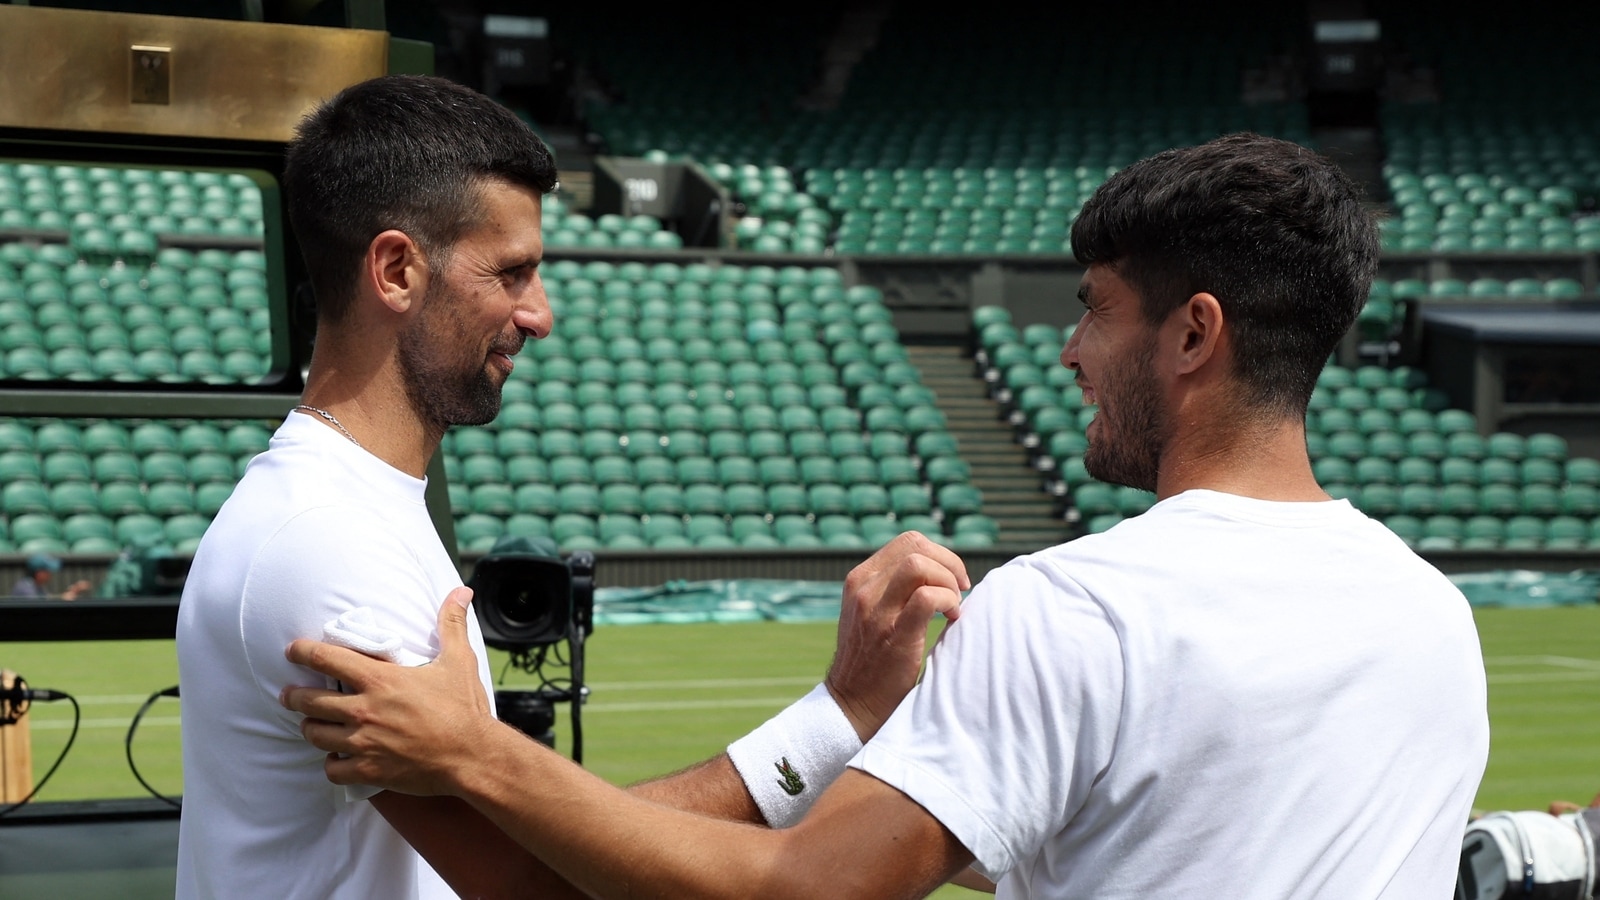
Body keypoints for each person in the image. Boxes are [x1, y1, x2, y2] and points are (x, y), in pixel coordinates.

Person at [282, 133, 1491, 898]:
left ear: (1192, 334)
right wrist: (868, 726)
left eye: (1094, 309)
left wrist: (476, 754)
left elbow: (806, 891)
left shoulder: (1075, 606)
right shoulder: (1434, 618)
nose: (1067, 349)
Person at [175, 73, 967, 900]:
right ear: (397, 270)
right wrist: (834, 720)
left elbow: (563, 841)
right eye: (511, 273)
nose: (539, 313)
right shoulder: (330, 542)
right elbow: (551, 882)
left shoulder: (339, 505)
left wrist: (835, 718)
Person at [9, 552, 91, 600]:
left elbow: (48, 598)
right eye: (47, 571)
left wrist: (74, 590)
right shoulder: (25, 588)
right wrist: (63, 599)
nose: (50, 574)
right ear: (39, 573)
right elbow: (39, 606)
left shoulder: (36, 586)